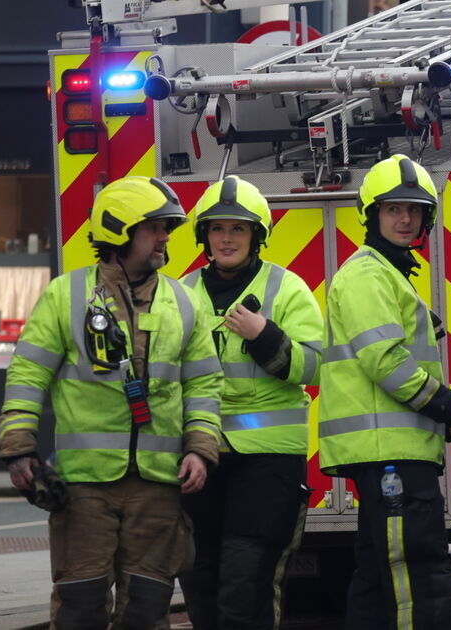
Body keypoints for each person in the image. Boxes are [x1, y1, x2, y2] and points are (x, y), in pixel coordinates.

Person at [0, 176, 223, 629]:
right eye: (155, 227)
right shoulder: (66, 295)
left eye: (166, 227)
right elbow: (28, 373)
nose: (164, 237)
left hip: (157, 486)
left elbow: (204, 384)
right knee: (80, 606)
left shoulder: (183, 301)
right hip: (84, 486)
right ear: (119, 231)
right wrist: (19, 445)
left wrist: (201, 448)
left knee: (146, 609)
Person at [317, 154, 451, 630]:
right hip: (390, 456)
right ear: (372, 215)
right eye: (393, 209)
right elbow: (385, 361)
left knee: (377, 576)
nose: (405, 219)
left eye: (414, 210)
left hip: (391, 453)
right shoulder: (368, 275)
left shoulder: (386, 273)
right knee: (419, 573)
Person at [178, 176, 324, 630]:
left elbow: (317, 366)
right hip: (199, 457)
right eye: (218, 228)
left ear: (256, 236)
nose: (226, 238)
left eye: (238, 229)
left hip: (267, 463)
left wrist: (266, 337)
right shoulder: (180, 293)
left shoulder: (287, 288)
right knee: (199, 578)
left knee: (246, 584)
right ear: (204, 235)